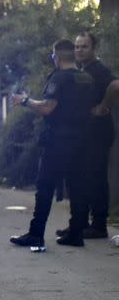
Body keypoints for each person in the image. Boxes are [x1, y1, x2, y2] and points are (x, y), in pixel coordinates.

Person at [10, 39, 94, 248]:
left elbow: (48, 107)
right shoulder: (86, 78)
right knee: (77, 187)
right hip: (83, 139)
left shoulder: (59, 78)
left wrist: (25, 101)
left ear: (57, 56)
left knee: (45, 186)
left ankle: (36, 234)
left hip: (59, 140)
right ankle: (76, 234)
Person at [56, 33, 116, 239]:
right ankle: (79, 224)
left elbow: (116, 85)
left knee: (96, 179)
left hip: (98, 134)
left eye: (84, 47)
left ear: (94, 48)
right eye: (77, 47)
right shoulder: (83, 70)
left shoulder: (98, 70)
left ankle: (99, 226)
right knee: (82, 178)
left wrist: (103, 106)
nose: (79, 50)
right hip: (85, 134)